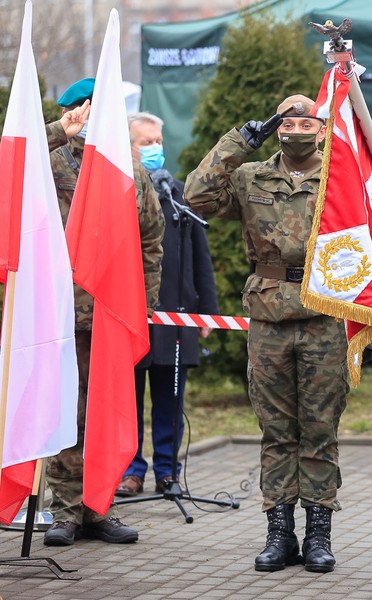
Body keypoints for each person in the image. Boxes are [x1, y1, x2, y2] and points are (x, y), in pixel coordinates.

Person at [184, 94, 348, 574]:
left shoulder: (341, 176)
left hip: (324, 313)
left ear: (321, 130)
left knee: (319, 430)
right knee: (277, 432)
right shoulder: (251, 175)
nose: (295, 129)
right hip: (269, 316)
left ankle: (319, 534)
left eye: (305, 122)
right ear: (276, 128)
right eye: (286, 122)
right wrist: (238, 142)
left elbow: (365, 239)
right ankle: (280, 533)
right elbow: (197, 194)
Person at [43, 78, 165, 546]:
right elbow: (7, 168)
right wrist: (59, 130)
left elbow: (150, 241)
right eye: (85, 113)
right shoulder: (48, 163)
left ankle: (100, 507)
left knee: (105, 412)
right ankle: (66, 512)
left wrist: (146, 304)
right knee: (67, 414)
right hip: (61, 311)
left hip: (113, 312)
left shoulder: (129, 168)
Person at [115, 112, 219, 498]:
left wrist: (206, 310)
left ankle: (167, 471)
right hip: (130, 316)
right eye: (146, 142)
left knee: (170, 400)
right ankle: (130, 471)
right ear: (128, 147)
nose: (156, 148)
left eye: (158, 141)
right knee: (128, 400)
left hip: (176, 317)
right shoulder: (118, 192)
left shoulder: (179, 194)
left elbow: (199, 258)